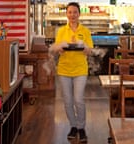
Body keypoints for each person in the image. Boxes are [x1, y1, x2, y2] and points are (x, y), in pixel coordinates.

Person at [50, 2, 93, 142]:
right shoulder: (61, 31)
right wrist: (60, 48)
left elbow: (90, 51)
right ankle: (73, 126)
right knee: (68, 102)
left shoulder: (85, 31)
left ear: (79, 14)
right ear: (66, 14)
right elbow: (57, 49)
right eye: (70, 12)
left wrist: (84, 47)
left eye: (75, 12)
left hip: (80, 69)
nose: (72, 15)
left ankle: (81, 127)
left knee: (78, 100)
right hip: (64, 70)